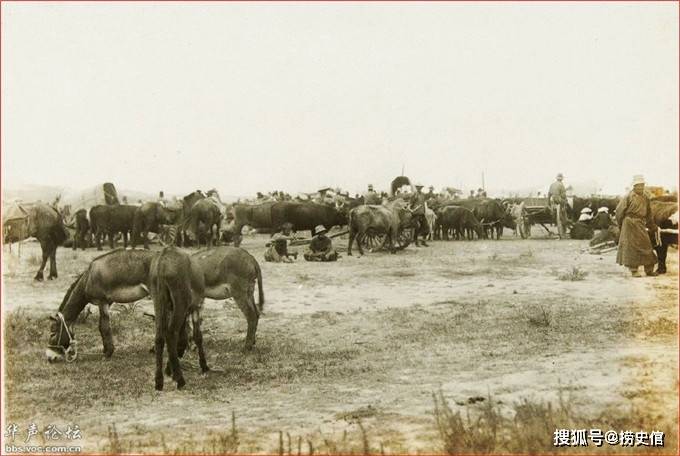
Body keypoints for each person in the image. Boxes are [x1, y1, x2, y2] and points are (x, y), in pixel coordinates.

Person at [615, 175, 658, 277]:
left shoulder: (646, 198)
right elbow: (619, 211)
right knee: (631, 247)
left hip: (640, 223)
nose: (640, 188)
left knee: (646, 245)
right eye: (638, 186)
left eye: (642, 185)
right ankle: (634, 270)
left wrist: (652, 225)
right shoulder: (628, 197)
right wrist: (622, 224)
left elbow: (649, 214)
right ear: (633, 186)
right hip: (629, 223)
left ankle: (649, 270)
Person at [548, 173, 568, 239]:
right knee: (565, 210)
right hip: (559, 201)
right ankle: (565, 220)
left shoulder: (552, 184)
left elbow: (549, 194)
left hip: (552, 201)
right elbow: (563, 195)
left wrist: (548, 203)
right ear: (561, 179)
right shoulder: (561, 185)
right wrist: (565, 201)